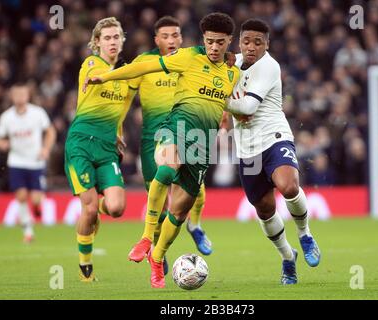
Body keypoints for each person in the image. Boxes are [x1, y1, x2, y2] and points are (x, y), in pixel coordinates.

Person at [84, 12, 239, 288]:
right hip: (175, 130)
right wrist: (107, 77)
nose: (214, 47)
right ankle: (145, 237)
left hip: (202, 146)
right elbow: (141, 68)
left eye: (220, 42)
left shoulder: (232, 72)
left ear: (229, 41)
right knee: (167, 169)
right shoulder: (189, 57)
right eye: (210, 41)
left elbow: (225, 103)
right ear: (203, 39)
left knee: (179, 212)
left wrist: (226, 116)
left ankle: (157, 257)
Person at [226, 19, 321, 285]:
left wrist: (215, 99)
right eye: (246, 41)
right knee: (265, 209)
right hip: (247, 149)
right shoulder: (230, 67)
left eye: (258, 42)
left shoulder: (269, 66)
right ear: (239, 42)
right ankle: (288, 257)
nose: (251, 47)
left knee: (288, 186)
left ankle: (305, 234)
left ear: (267, 44)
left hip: (274, 137)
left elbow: (246, 108)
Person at [127, 16, 212, 268]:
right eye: (166, 36)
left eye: (175, 35)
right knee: (160, 198)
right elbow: (126, 97)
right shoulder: (144, 62)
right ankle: (157, 251)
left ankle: (195, 226)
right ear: (156, 39)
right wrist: (118, 128)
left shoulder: (190, 59)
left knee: (195, 190)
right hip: (152, 138)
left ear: (181, 37)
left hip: (185, 132)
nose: (172, 40)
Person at [64, 17, 134, 282]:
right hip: (81, 143)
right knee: (89, 209)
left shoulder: (125, 78)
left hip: (106, 148)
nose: (112, 42)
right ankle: (85, 265)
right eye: (107, 38)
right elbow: (95, 75)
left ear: (122, 40)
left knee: (116, 208)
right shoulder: (92, 64)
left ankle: (97, 211)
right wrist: (99, 77)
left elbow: (119, 110)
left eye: (116, 37)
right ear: (97, 43)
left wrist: (117, 134)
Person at [0, 82, 56, 243]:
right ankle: (28, 231)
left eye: (23, 94)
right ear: (12, 97)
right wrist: (1, 143)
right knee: (20, 196)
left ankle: (36, 207)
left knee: (34, 198)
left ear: (28, 96)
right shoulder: (7, 117)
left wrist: (46, 149)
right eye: (16, 94)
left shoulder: (37, 113)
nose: (20, 97)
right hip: (16, 161)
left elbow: (50, 131)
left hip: (35, 162)